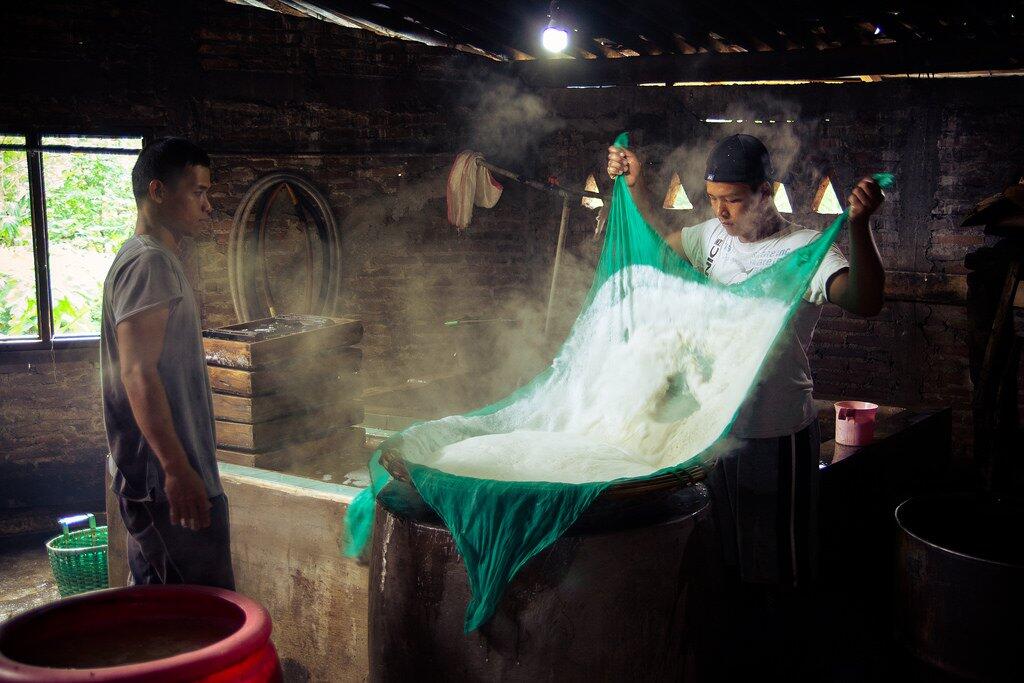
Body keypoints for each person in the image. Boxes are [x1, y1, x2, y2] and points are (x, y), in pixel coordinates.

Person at [607, 134, 884, 670]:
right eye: (712, 199)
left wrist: (859, 226)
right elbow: (656, 247)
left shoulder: (806, 253)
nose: (720, 211)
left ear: (766, 191)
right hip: (709, 430)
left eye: (731, 199)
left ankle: (784, 662)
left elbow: (865, 300)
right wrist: (636, 187)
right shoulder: (709, 237)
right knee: (723, 557)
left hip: (774, 433)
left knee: (779, 569)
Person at [100, 137, 234, 589]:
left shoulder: (154, 258)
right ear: (157, 191)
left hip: (165, 478)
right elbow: (138, 372)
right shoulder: (148, 264)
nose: (207, 205)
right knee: (199, 621)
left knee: (171, 616)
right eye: (197, 192)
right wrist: (177, 470)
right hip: (164, 484)